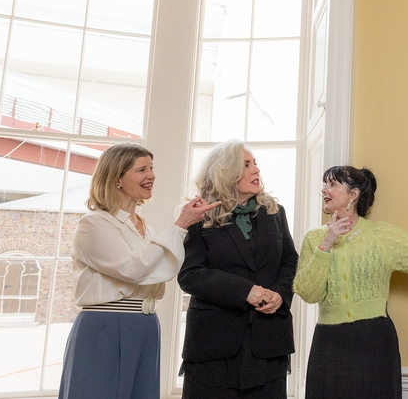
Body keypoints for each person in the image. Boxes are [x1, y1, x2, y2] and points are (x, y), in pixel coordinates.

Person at [293, 166, 408, 399]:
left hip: (374, 343)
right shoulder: (314, 238)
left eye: (332, 184)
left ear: (353, 195)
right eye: (325, 184)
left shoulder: (381, 236)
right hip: (329, 345)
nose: (324, 190)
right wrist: (327, 243)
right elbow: (308, 292)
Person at [59, 143, 220, 399]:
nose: (152, 175)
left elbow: (164, 268)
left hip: (145, 324)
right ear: (117, 178)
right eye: (141, 169)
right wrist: (180, 225)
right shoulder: (93, 224)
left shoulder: (145, 227)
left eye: (151, 168)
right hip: (106, 326)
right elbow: (133, 269)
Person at [177, 140, 298, 399]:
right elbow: (190, 274)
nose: (255, 170)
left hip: (268, 342)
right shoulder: (199, 215)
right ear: (225, 172)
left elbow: (290, 262)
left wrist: (280, 294)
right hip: (214, 345)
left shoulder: (275, 212)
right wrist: (246, 291)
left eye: (255, 164)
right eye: (246, 165)